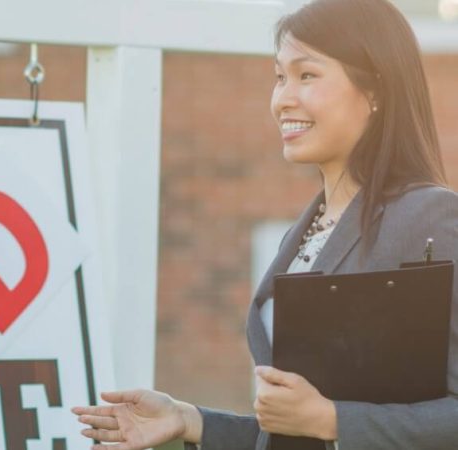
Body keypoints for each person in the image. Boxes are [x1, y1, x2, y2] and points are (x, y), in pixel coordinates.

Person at [71, 0, 458, 449]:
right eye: (279, 77)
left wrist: (334, 420)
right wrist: (190, 420)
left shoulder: (428, 218)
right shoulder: (305, 233)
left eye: (307, 75)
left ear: (375, 91)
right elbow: (293, 433)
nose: (282, 98)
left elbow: (328, 423)